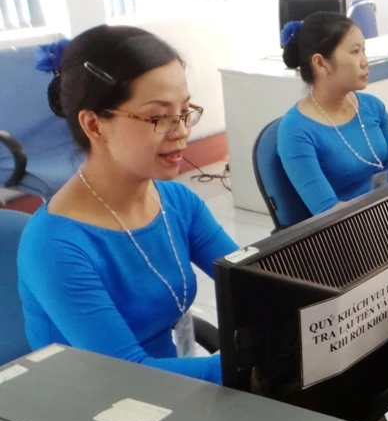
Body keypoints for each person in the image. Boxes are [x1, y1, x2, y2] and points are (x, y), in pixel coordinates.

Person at [17, 26, 237, 384]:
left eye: (185, 110)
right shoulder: (54, 246)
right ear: (94, 125)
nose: (181, 130)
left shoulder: (178, 202)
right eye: (158, 117)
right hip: (94, 405)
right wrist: (253, 364)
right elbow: (126, 372)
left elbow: (251, 281)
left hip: (171, 390)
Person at [278, 12, 388, 216]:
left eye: (364, 50)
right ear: (320, 63)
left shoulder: (373, 107)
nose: (365, 61)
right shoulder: (295, 131)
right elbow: (328, 213)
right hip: (344, 229)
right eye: (355, 52)